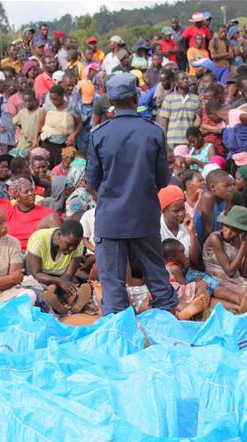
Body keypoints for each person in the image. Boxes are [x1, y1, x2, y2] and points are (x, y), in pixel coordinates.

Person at [86, 72, 176, 315]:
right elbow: (162, 179)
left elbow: (92, 180)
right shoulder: (154, 131)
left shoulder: (99, 134)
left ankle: (116, 337)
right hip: (144, 216)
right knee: (157, 277)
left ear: (111, 102)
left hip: (111, 219)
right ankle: (168, 329)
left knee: (113, 285)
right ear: (137, 98)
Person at [202, 205, 247, 313]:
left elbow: (245, 274)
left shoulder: (237, 240)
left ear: (241, 231)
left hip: (235, 279)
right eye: (226, 226)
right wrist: (245, 243)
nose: (228, 232)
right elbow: (230, 271)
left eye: (234, 229)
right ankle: (245, 307)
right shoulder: (215, 238)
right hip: (218, 279)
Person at [25, 218, 91, 314]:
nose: (72, 248)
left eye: (75, 245)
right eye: (69, 244)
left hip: (61, 278)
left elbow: (69, 274)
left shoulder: (78, 245)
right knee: (36, 290)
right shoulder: (38, 239)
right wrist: (58, 282)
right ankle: (58, 304)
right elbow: (36, 273)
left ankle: (70, 301)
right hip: (37, 277)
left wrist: (56, 285)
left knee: (68, 289)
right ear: (59, 235)